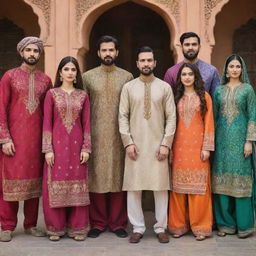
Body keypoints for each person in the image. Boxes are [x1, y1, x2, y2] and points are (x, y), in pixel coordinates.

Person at [119, 46, 176, 244]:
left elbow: (171, 118)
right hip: (135, 146)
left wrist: (165, 144)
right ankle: (138, 227)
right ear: (137, 64)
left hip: (157, 145)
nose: (146, 64)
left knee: (160, 188)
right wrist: (128, 143)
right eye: (142, 61)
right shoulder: (129, 87)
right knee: (134, 188)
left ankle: (161, 227)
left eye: (149, 60)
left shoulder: (164, 87)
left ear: (155, 63)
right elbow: (122, 116)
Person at [0, 37, 52, 242]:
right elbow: (1, 108)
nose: (32, 54)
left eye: (36, 51)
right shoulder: (9, 77)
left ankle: (30, 224)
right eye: (28, 50)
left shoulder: (45, 80)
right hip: (13, 140)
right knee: (8, 183)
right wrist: (4, 138)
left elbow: (48, 113)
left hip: (36, 141)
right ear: (21, 52)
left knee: (34, 184)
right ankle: (7, 226)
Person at [82, 35, 133, 238]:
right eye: (104, 50)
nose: (108, 53)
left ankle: (118, 223)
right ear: (98, 53)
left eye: (111, 50)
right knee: (96, 179)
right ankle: (98, 222)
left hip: (119, 137)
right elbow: (83, 108)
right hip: (95, 136)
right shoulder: (87, 77)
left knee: (119, 178)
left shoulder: (127, 77)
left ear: (117, 52)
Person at [42, 56, 91, 241]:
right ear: (60, 73)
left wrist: (86, 148)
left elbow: (87, 123)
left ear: (77, 74)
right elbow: (47, 123)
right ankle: (56, 227)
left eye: (73, 70)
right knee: (55, 184)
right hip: (57, 147)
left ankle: (77, 228)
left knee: (78, 185)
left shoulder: (83, 96)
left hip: (78, 147)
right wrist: (48, 149)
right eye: (66, 69)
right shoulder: (51, 94)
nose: (70, 72)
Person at [168, 63, 214, 241]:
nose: (187, 77)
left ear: (196, 77)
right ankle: (178, 225)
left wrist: (207, 147)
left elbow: (209, 122)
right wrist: (170, 148)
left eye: (190, 74)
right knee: (178, 189)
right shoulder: (176, 97)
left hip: (198, 149)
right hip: (179, 148)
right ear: (179, 78)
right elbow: (171, 124)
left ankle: (200, 226)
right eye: (184, 74)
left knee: (198, 189)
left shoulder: (205, 97)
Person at [212, 54, 256, 238]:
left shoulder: (247, 89)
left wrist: (249, 141)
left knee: (241, 183)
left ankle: (244, 226)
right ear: (226, 70)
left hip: (241, 144)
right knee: (221, 183)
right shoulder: (219, 91)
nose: (235, 69)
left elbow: (253, 115)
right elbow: (213, 118)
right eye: (232, 66)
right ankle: (225, 224)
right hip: (221, 143)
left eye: (238, 66)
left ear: (242, 69)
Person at [164, 32, 220, 96]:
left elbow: (216, 101)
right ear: (181, 47)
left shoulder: (211, 71)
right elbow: (167, 100)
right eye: (187, 45)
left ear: (199, 46)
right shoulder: (171, 72)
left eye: (194, 44)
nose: (190, 47)